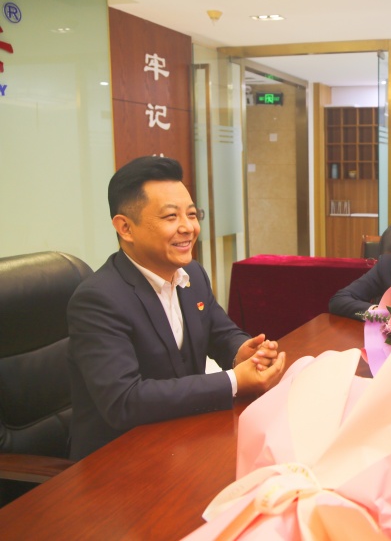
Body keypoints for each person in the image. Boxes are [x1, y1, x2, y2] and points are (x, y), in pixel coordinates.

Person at [67, 156, 286, 459]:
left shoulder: (191, 273)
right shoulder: (98, 299)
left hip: (184, 439)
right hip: (119, 459)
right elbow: (124, 401)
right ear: (125, 227)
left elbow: (220, 332)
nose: (188, 228)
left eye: (192, 214)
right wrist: (234, 381)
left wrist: (242, 352)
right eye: (171, 217)